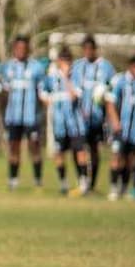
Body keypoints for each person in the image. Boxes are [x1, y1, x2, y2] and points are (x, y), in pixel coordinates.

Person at [104, 56, 135, 200]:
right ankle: (113, 187)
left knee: (130, 160)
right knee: (116, 157)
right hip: (120, 129)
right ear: (130, 67)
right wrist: (115, 121)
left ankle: (124, 188)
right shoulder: (120, 81)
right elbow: (110, 102)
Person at [42, 47, 90, 196]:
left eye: (68, 61)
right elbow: (43, 93)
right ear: (59, 62)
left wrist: (67, 78)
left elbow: (75, 96)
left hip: (75, 124)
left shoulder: (76, 77)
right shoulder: (51, 77)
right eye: (63, 61)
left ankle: (83, 183)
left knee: (80, 152)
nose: (66, 64)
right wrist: (48, 101)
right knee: (59, 153)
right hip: (59, 124)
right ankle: (63, 182)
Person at [0, 35, 44, 191]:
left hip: (31, 117)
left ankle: (38, 181)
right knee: (14, 147)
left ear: (28, 50)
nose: (21, 51)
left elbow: (42, 92)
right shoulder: (7, 68)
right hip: (13, 117)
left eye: (23, 48)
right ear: (14, 49)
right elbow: (3, 92)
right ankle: (13, 180)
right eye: (18, 48)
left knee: (34, 148)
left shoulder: (36, 67)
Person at [71, 36, 115, 194]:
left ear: (95, 49)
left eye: (91, 48)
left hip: (98, 118)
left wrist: (104, 94)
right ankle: (83, 182)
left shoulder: (106, 67)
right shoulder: (77, 67)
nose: (88, 52)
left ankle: (92, 184)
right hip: (79, 117)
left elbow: (113, 88)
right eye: (85, 49)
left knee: (95, 150)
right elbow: (74, 90)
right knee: (80, 148)